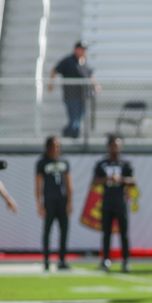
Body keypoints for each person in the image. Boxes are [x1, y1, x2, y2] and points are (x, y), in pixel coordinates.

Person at [94, 134, 135, 273]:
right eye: (113, 145)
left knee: (124, 233)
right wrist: (107, 179)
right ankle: (105, 259)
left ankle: (125, 260)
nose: (115, 148)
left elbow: (132, 181)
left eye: (117, 145)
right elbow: (95, 181)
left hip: (120, 201)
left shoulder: (125, 164)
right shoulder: (102, 164)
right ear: (108, 147)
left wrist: (121, 179)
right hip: (107, 201)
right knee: (106, 233)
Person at [36, 136, 73, 271]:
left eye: (58, 146)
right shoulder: (42, 163)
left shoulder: (64, 162)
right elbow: (38, 184)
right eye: (53, 146)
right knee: (47, 231)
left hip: (62, 201)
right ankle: (46, 260)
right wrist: (39, 203)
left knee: (64, 231)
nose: (56, 148)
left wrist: (70, 201)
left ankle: (62, 260)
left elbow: (69, 183)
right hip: (49, 201)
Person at [49, 41, 98, 139]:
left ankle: (71, 137)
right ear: (76, 49)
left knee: (78, 121)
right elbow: (55, 70)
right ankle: (67, 137)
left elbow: (90, 75)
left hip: (83, 96)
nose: (84, 51)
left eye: (85, 50)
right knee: (74, 121)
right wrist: (51, 84)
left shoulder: (83, 62)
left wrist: (96, 85)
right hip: (71, 96)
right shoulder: (68, 61)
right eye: (82, 49)